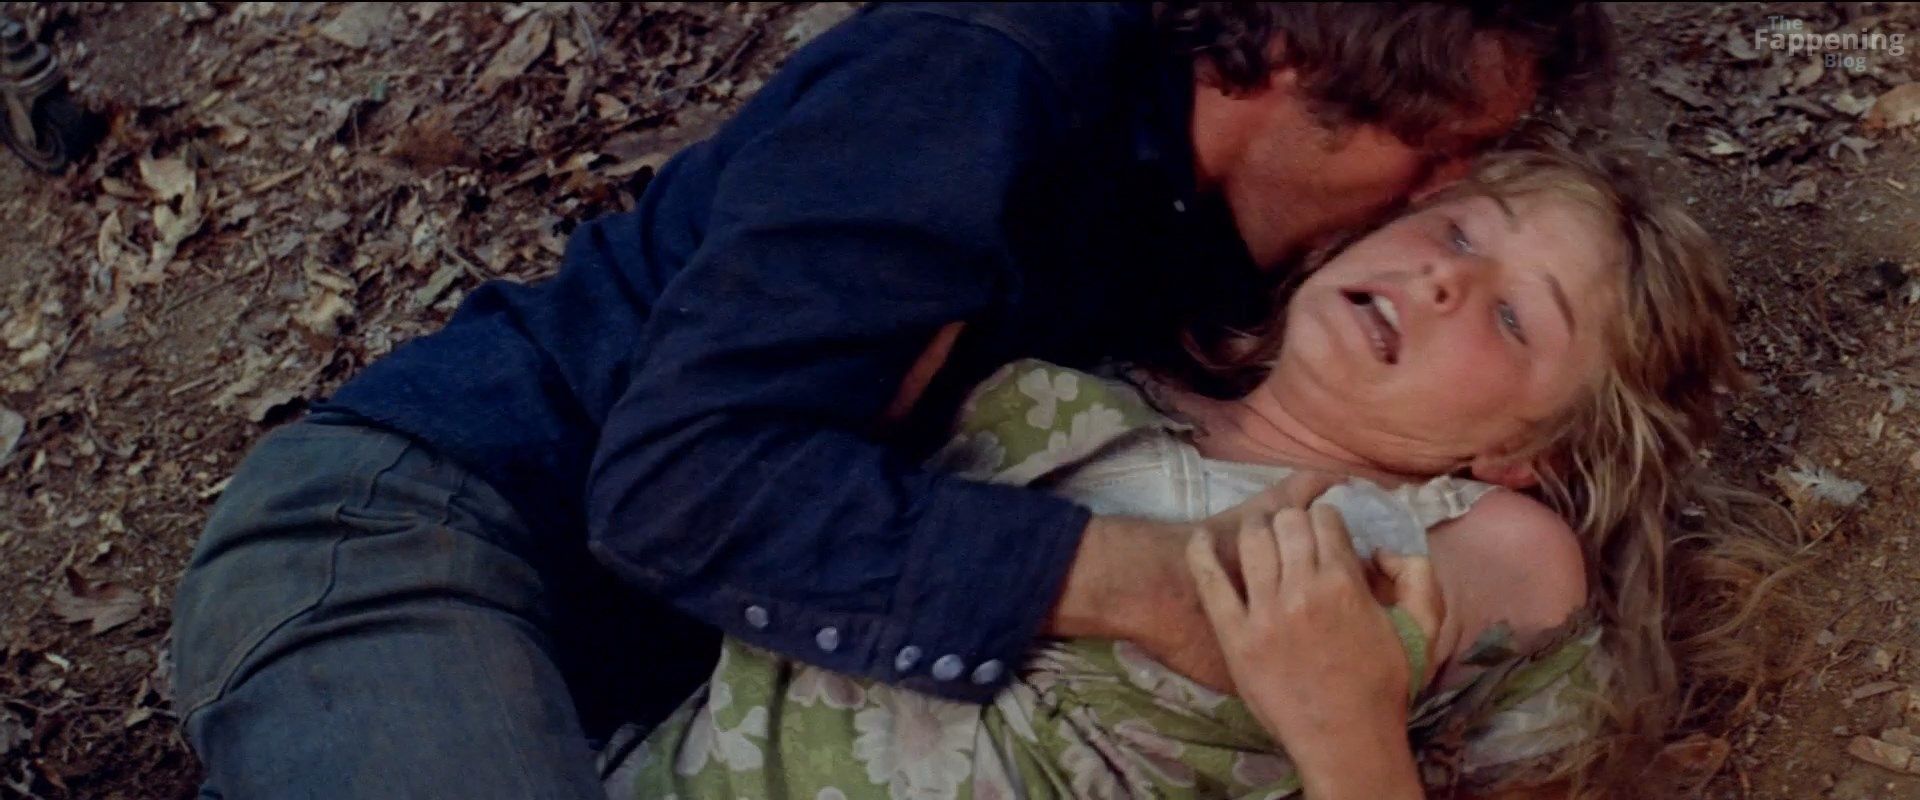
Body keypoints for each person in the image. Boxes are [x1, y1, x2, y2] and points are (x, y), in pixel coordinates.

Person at [169, 4, 1614, 797]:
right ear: (1295, 70)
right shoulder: (976, 82)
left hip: (650, 679)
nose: (1431, 210)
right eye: (1440, 161)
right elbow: (677, 487)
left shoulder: (1216, 259)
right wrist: (1143, 581)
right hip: (429, 531)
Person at [623, 141, 1792, 800]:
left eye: (1515, 316)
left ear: (1525, 452)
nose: (1446, 278)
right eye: (1457, 231)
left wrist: (1349, 735)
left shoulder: (1487, 544)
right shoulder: (1098, 367)